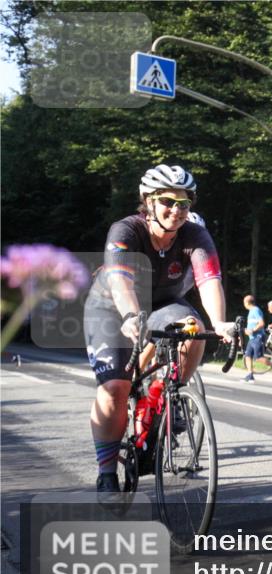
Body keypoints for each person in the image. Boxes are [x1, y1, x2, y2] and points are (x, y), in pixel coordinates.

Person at [84, 164, 232, 493]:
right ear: (148, 200)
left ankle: (167, 395)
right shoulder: (126, 231)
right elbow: (121, 281)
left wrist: (219, 322)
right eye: (167, 201)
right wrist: (130, 316)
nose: (176, 210)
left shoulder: (195, 235)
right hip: (112, 307)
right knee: (114, 389)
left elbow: (209, 280)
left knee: (194, 328)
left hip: (165, 304)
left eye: (184, 203)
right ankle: (107, 471)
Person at [243, 295, 266, 383]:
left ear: (247, 302)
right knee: (247, 356)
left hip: (257, 337)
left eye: (244, 302)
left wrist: (252, 330)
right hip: (252, 338)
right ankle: (250, 375)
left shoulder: (255, 310)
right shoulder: (251, 311)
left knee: (258, 358)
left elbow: (261, 323)